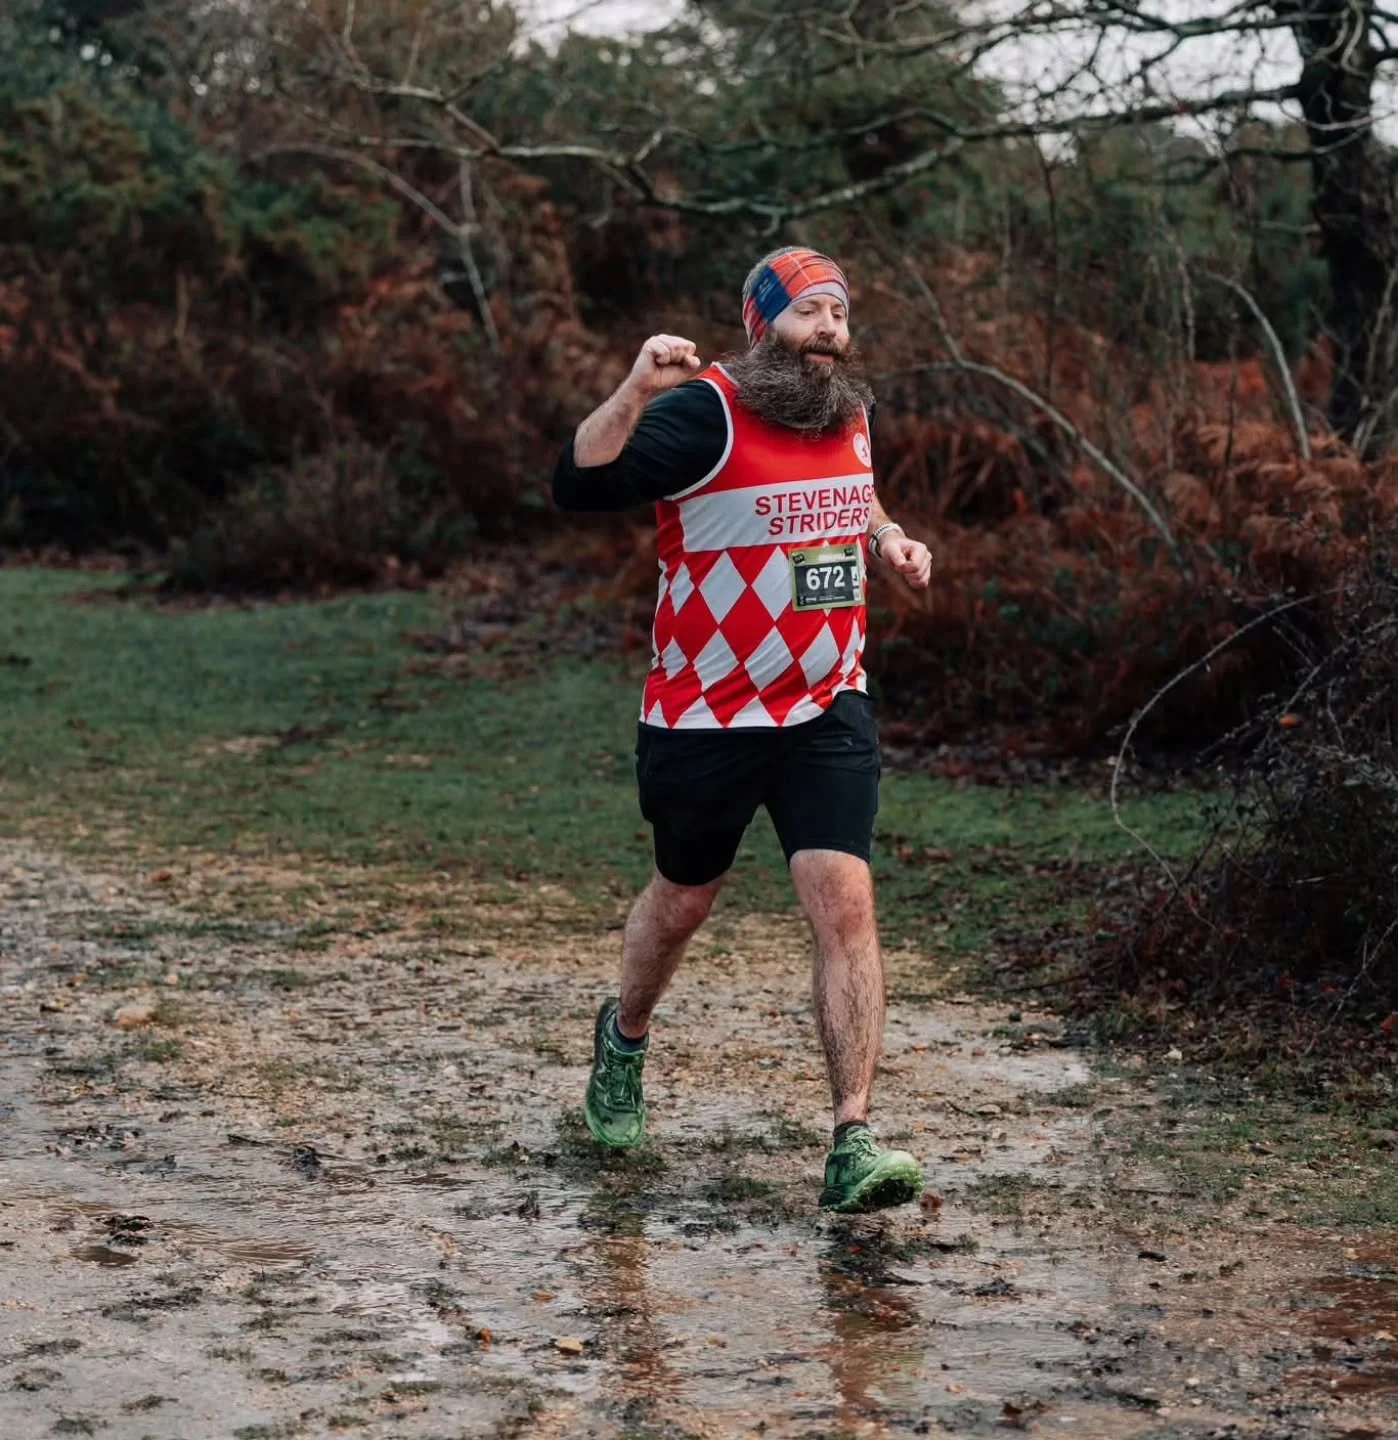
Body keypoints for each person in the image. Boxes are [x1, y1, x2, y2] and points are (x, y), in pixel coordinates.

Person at [552, 246, 933, 1213]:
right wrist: (637, 385)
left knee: (844, 903)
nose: (832, 333)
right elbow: (578, 480)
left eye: (841, 314)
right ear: (764, 324)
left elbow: (854, 498)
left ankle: (853, 1136)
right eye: (811, 314)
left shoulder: (849, 411)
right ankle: (624, 1039)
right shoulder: (705, 413)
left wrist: (887, 539)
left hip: (826, 704)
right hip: (705, 716)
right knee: (682, 905)